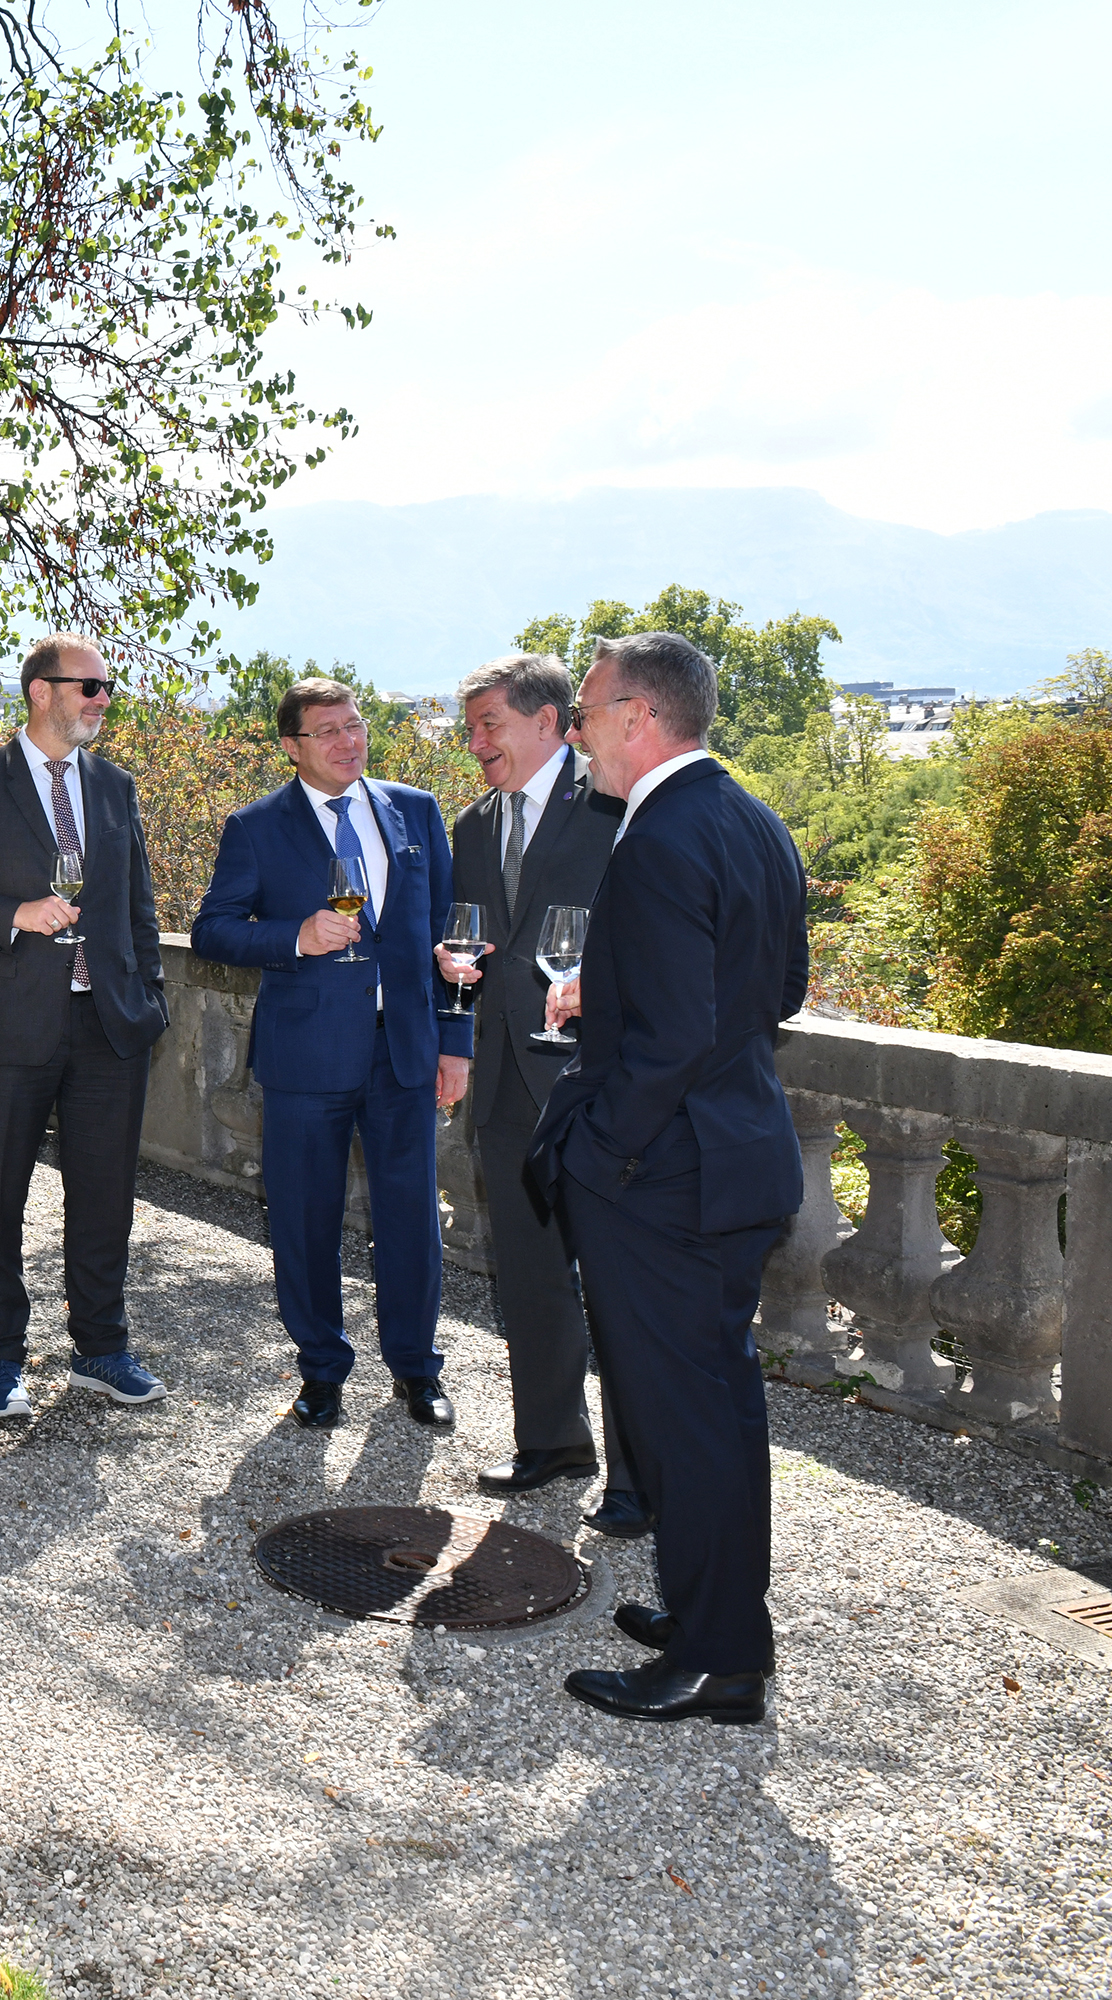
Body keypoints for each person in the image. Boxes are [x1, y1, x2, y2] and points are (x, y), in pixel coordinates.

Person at [533, 633, 807, 1726]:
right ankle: (720, 1611)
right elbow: (771, 988)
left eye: (590, 711)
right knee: (723, 1411)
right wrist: (620, 993)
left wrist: (603, 1151)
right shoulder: (752, 820)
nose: (580, 731)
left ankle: (720, 1657)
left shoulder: (656, 838)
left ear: (640, 717)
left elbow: (676, 1038)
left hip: (665, 1180)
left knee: (684, 1418)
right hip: (737, 1154)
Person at [190, 678, 469, 1430]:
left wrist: (456, 1039)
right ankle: (321, 1370)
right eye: (328, 732)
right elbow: (213, 929)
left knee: (410, 1219)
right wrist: (293, 937)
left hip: (403, 1053)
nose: (350, 742)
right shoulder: (255, 828)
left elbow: (454, 935)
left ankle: (416, 1371)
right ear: (292, 747)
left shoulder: (414, 810)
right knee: (305, 1222)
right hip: (306, 1057)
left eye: (355, 726)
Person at [0, 635, 169, 1419]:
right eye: (89, 687)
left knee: (106, 1198)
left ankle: (101, 1347)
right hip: (13, 1028)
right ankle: (0, 1357)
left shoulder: (116, 788)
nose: (102, 699)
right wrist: (14, 916)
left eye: (106, 688)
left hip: (109, 1028)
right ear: (39, 692)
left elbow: (141, 908)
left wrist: (148, 1000)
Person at [441, 654, 645, 1535]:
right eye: (472, 728)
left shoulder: (618, 804)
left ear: (551, 720)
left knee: (620, 1284)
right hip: (507, 1088)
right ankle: (551, 1441)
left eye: (490, 724)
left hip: (601, 1084)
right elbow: (470, 942)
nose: (476, 742)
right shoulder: (473, 828)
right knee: (527, 1273)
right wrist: (449, 970)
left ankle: (638, 1477)